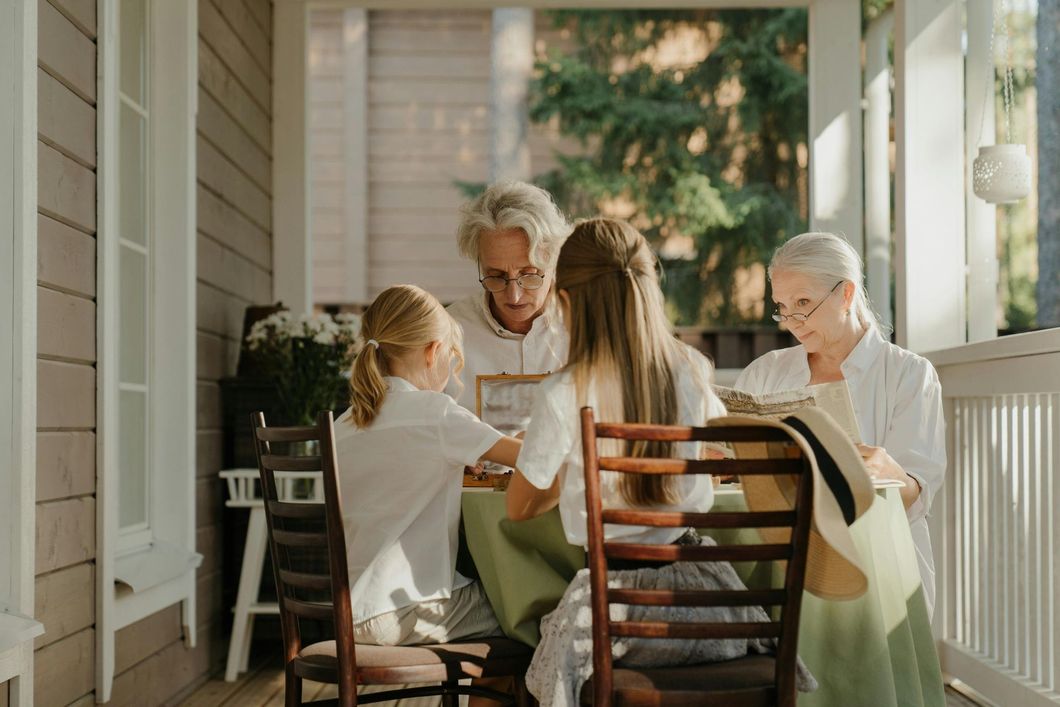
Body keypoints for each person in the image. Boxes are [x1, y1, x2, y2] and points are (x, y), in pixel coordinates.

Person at [502, 219, 818, 705]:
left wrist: (573, 461)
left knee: (538, 669)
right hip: (713, 608)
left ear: (565, 302)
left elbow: (519, 508)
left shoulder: (565, 391)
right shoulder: (691, 372)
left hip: (618, 619)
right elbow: (708, 456)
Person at [735, 231, 946, 613]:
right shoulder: (765, 373)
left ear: (845, 294)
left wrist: (887, 471)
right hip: (783, 550)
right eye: (782, 306)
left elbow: (916, 494)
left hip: (875, 557)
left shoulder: (908, 374)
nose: (792, 321)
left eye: (803, 302)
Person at [333, 285, 521, 685]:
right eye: (452, 359)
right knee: (528, 610)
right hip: (405, 611)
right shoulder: (436, 414)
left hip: (350, 612)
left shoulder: (344, 424)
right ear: (433, 350)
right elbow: (532, 459)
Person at [445, 181, 571, 411]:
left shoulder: (586, 327)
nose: (514, 296)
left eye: (530, 275)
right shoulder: (448, 334)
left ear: (554, 261)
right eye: (496, 276)